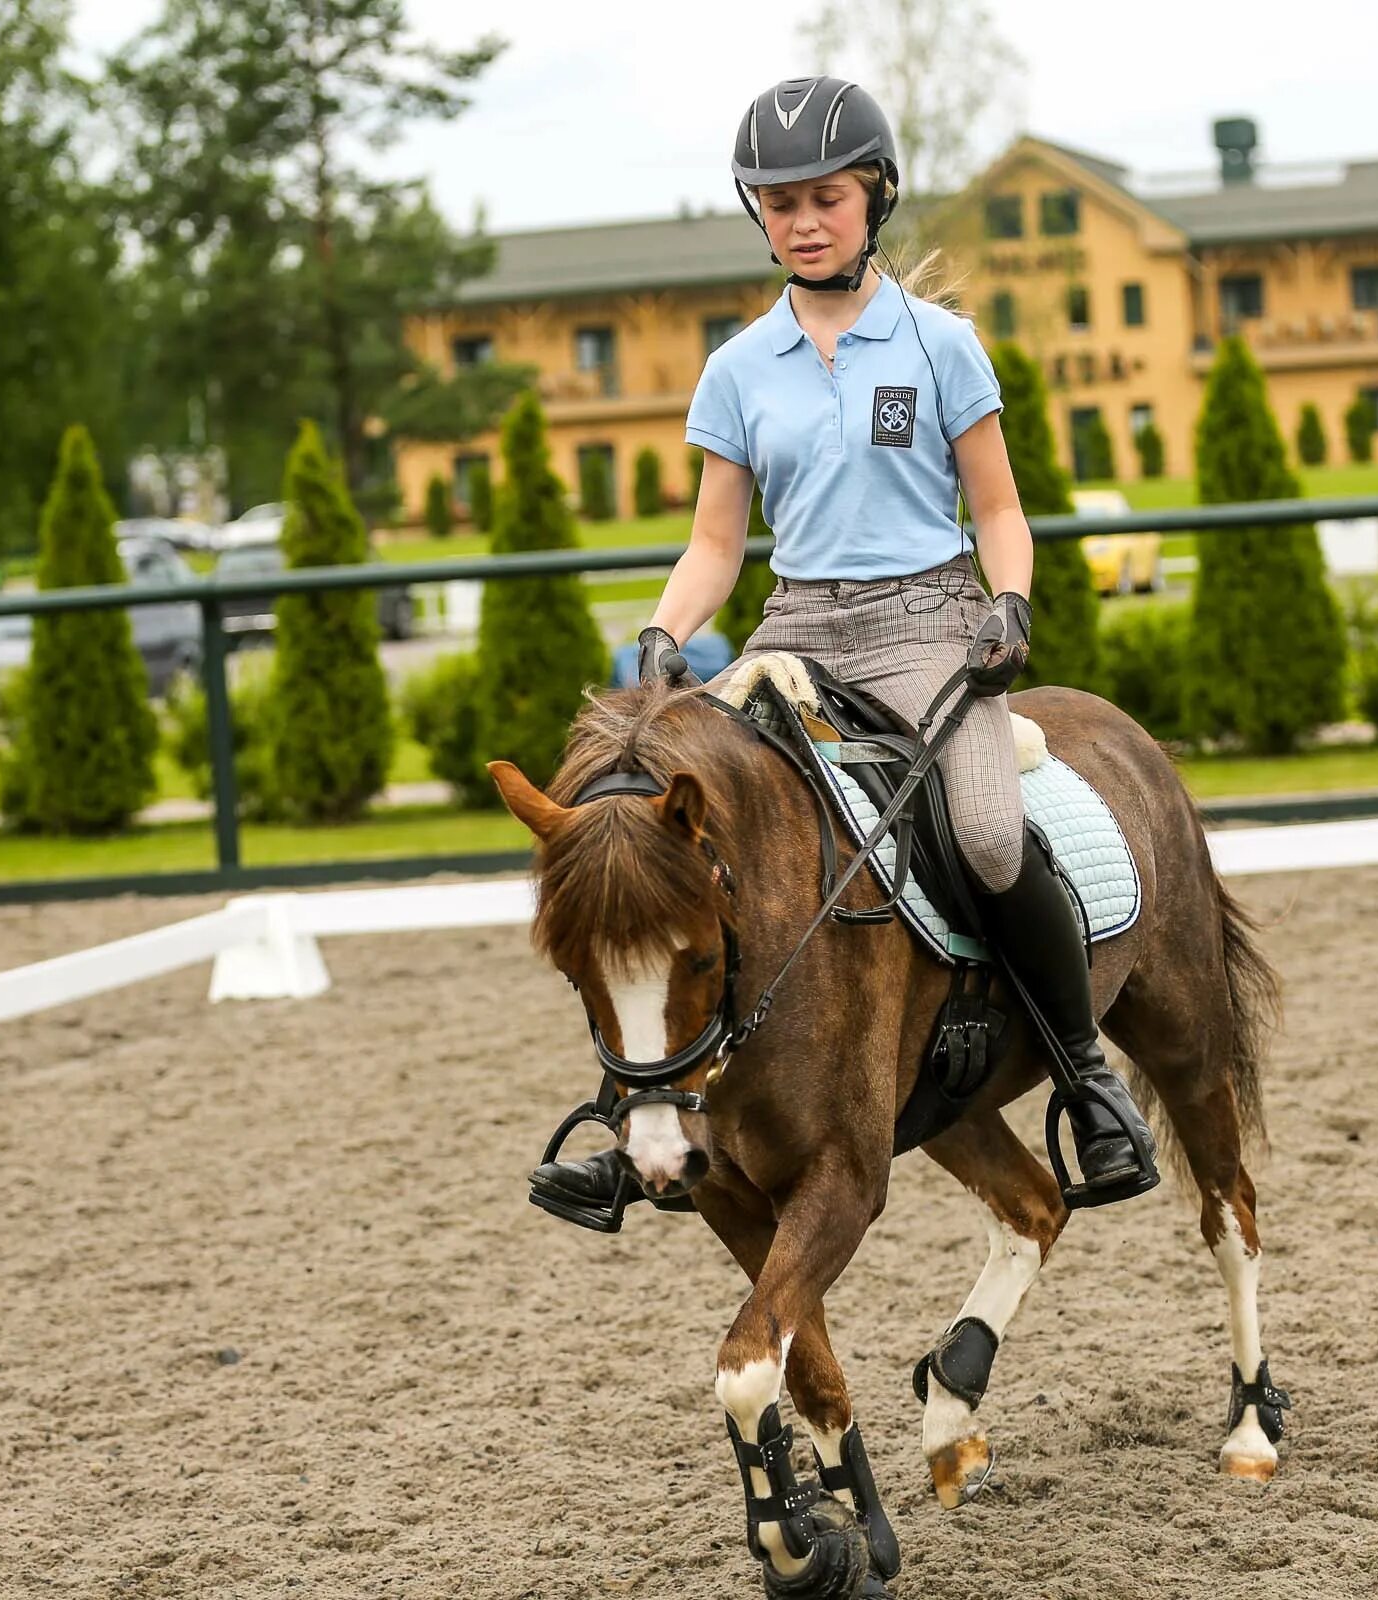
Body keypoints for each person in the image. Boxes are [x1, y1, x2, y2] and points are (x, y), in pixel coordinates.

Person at [530, 75, 1156, 1224]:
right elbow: (717, 542)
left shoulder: (942, 345)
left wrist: (1007, 602)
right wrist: (668, 632)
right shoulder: (737, 369)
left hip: (926, 622)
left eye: (824, 197)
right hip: (796, 629)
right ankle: (635, 1116)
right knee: (657, 837)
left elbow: (1002, 513)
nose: (803, 220)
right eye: (779, 204)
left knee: (983, 827)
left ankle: (1085, 1076)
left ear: (874, 197)